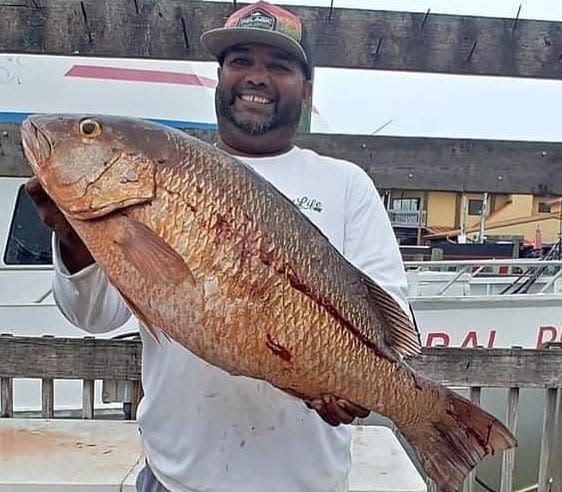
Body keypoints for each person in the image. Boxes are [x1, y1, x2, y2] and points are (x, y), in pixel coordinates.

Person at [26, 2, 412, 491]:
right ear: (219, 77)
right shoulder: (165, 175)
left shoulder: (346, 185)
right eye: (240, 61)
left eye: (279, 65)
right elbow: (95, 316)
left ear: (307, 88)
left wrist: (365, 382)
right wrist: (76, 240)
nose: (256, 77)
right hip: (174, 480)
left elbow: (390, 317)